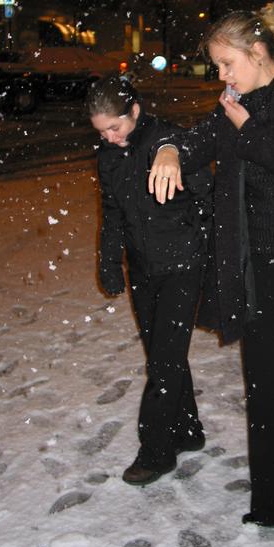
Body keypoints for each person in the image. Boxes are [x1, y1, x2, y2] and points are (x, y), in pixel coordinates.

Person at [148, 3, 274, 547]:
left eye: (226, 64)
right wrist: (168, 149)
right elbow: (197, 141)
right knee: (262, 390)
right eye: (218, 66)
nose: (222, 76)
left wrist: (248, 125)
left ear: (258, 53)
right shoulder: (234, 104)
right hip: (253, 273)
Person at [86, 74, 212, 486]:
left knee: (163, 361)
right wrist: (110, 261)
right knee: (163, 352)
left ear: (135, 111)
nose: (109, 138)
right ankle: (188, 429)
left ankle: (156, 451)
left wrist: (204, 251)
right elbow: (112, 212)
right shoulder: (109, 156)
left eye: (115, 127)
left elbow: (208, 199)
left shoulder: (167, 143)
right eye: (101, 131)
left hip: (182, 266)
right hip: (142, 268)